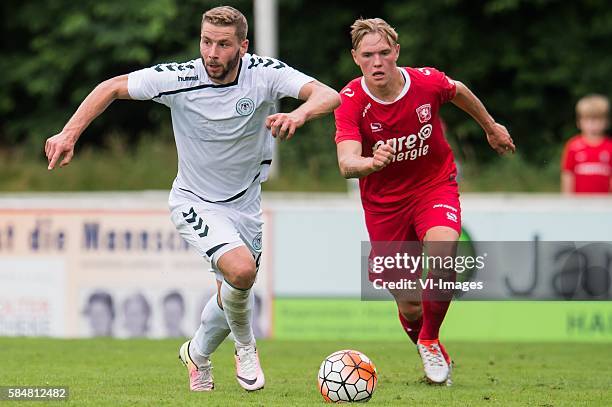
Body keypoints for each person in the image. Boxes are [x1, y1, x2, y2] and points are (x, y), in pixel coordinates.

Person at [45, 5, 340, 392]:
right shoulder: (180, 77)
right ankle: (246, 347)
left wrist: (299, 116)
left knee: (231, 290)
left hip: (246, 203)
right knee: (241, 272)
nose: (211, 53)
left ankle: (197, 354)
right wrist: (69, 134)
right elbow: (111, 87)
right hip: (194, 201)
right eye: (206, 42)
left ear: (242, 46)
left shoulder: (265, 74)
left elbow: (328, 94)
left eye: (222, 44)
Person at [334, 18, 514, 385]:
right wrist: (371, 163)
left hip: (434, 186)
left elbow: (459, 90)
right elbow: (346, 163)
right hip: (384, 204)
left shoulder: (426, 82)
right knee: (410, 304)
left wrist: (490, 127)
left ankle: (429, 339)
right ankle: (425, 340)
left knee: (444, 253)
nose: (378, 62)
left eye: (385, 52)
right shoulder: (351, 100)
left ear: (396, 52)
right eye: (368, 55)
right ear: (356, 58)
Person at [561, 94, 612, 194]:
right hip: (579, 205)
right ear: (579, 122)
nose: (593, 124)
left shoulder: (610, 147)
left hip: (605, 204)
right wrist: (567, 202)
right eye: (588, 120)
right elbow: (567, 175)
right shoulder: (573, 146)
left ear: (606, 121)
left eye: (598, 120)